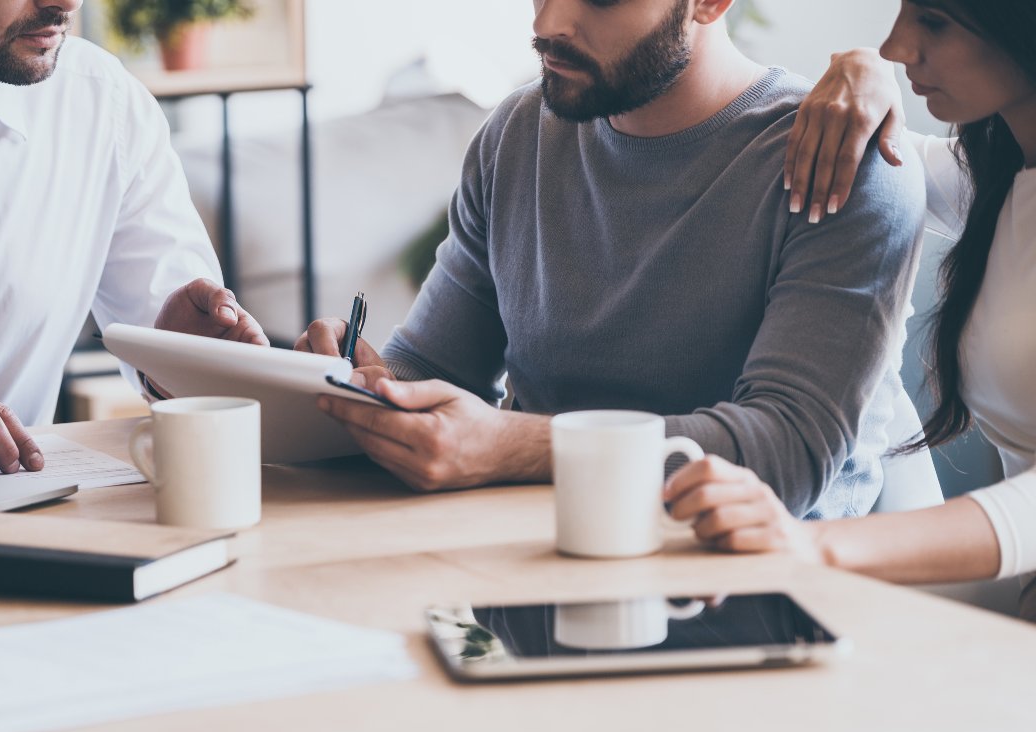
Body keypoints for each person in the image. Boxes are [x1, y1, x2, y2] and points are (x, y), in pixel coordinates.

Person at [296, 0, 925, 522]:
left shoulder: (839, 162)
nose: (547, 23)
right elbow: (435, 367)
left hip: (757, 597)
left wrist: (513, 447)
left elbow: (786, 453)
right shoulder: (517, 133)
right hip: (529, 570)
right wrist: (358, 384)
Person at [663, 1, 1036, 595]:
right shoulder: (1002, 177)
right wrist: (861, 69)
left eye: (934, 21)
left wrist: (809, 543)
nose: (897, 46)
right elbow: (873, 154)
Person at [0, 0, 267, 475]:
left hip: (30, 518)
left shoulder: (104, 103)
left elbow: (178, 344)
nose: (65, 3)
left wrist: (190, 360)